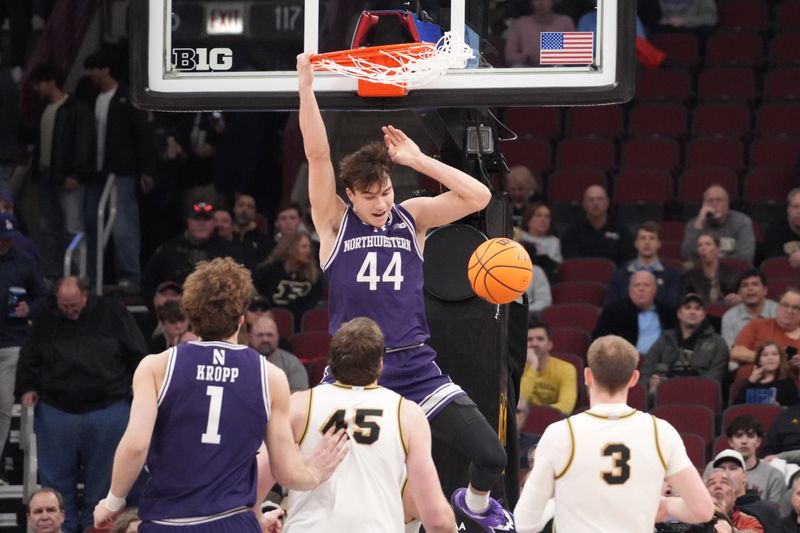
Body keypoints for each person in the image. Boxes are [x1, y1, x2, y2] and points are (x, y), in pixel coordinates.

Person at [297, 54, 513, 532]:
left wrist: (417, 160)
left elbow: (477, 197)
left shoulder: (411, 217)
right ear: (351, 194)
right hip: (353, 374)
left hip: (416, 367)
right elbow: (316, 155)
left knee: (490, 454)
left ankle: (476, 507)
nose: (381, 202)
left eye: (387, 190)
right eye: (370, 194)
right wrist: (306, 88)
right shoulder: (334, 224)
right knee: (331, 478)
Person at [93, 257, 349, 532]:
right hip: (233, 521)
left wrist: (113, 501)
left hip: (169, 520)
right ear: (242, 317)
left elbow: (135, 446)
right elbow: (285, 470)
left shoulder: (156, 367)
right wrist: (313, 472)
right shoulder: (270, 376)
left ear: (190, 314)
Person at [514, 335, 714, 532]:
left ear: (587, 376)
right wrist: (667, 505)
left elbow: (524, 521)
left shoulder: (561, 433)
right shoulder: (661, 432)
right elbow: (703, 510)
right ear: (634, 378)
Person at [284, 317, 456, 533]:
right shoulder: (407, 414)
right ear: (380, 365)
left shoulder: (298, 405)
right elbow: (438, 521)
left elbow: (255, 480)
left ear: (332, 362)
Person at [16, 276, 148, 533]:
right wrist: (27, 388)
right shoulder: (45, 319)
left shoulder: (112, 312)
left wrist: (138, 383)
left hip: (108, 408)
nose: (70, 309)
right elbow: (28, 357)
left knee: (105, 484)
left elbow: (138, 352)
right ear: (56, 300)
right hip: (57, 410)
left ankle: (96, 528)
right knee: (55, 484)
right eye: (64, 305)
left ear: (85, 296)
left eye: (74, 304)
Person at [83, 49, 156, 287]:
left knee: (123, 225)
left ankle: (129, 276)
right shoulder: (93, 98)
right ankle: (92, 276)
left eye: (93, 68)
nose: (89, 74)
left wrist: (146, 169)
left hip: (121, 170)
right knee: (91, 223)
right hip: (97, 171)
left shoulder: (127, 96)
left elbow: (143, 134)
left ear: (105, 69)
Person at [28, 63, 94, 281]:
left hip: (66, 176)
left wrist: (76, 173)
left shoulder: (75, 107)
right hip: (47, 175)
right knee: (49, 228)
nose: (36, 89)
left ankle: (81, 276)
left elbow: (84, 142)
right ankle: (55, 274)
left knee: (72, 226)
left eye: (38, 84)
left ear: (50, 82)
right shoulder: (47, 109)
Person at [0, 214, 47, 466]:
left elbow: (44, 298)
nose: (4, 244)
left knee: (3, 406)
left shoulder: (24, 261)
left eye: (7, 239)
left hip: (11, 342)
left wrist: (28, 308)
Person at [141, 202, 241, 308]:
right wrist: (159, 313)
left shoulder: (228, 251)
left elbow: (240, 285)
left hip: (216, 315)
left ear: (213, 223)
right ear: (187, 221)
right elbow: (147, 284)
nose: (201, 223)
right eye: (196, 218)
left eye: (206, 219)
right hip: (176, 317)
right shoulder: (168, 250)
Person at [641, 292, 729, 396]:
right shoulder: (665, 339)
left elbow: (715, 377)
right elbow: (646, 370)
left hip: (699, 393)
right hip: (665, 391)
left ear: (704, 315)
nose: (692, 312)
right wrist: (651, 382)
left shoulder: (718, 342)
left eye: (697, 308)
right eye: (688, 308)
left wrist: (684, 388)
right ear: (679, 314)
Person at [594, 271, 677, 354]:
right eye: (636, 285)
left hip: (662, 363)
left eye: (646, 285)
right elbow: (598, 344)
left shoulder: (668, 313)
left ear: (655, 289)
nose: (641, 289)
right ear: (629, 290)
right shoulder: (613, 312)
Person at [705, 419, 786, 504]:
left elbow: (774, 511)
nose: (744, 441)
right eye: (739, 436)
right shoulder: (713, 467)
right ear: (731, 442)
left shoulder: (774, 475)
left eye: (750, 436)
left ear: (758, 441)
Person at [253, 231, 324, 325]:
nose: (308, 250)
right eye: (303, 246)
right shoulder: (267, 272)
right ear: (290, 248)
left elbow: (312, 307)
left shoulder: (314, 277)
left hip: (300, 326)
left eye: (309, 247)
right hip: (268, 323)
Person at [605, 221, 681, 308]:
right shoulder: (619, 276)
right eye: (642, 238)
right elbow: (610, 307)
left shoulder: (672, 276)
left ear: (659, 244)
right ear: (636, 243)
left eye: (652, 238)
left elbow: (672, 307)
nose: (647, 242)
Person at [731, 288, 800, 381]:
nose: (789, 311)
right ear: (777, 306)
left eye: (796, 307)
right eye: (785, 305)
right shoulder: (757, 325)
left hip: (787, 389)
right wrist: (773, 359)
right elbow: (736, 352)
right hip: (750, 386)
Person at [681, 184, 755, 266]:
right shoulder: (695, 223)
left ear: (727, 203)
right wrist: (699, 223)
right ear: (704, 204)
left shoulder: (742, 221)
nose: (714, 204)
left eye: (719, 200)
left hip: (733, 271)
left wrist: (712, 261)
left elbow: (745, 256)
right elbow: (687, 255)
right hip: (702, 272)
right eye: (710, 201)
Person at [562, 184, 635, 266]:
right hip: (581, 277)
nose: (595, 203)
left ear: (607, 203)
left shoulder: (622, 231)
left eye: (600, 199)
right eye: (590, 199)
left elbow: (627, 261)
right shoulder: (572, 233)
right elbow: (572, 263)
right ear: (584, 205)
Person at [709, 450, 779, 533]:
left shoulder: (764, 510)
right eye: (721, 469)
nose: (726, 472)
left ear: (745, 476)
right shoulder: (699, 514)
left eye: (733, 468)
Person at [517, 321, 577, 417]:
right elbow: (519, 401)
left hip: (554, 421)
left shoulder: (566, 369)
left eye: (540, 339)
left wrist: (538, 414)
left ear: (549, 344)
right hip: (522, 422)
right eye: (529, 339)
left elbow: (566, 407)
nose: (534, 343)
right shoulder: (517, 367)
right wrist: (533, 365)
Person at [246, 314, 308, 393]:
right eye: (260, 335)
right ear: (249, 337)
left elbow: (301, 395)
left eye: (270, 335)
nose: (265, 339)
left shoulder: (292, 363)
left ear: (277, 337)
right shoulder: (238, 361)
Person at [505, 0, 576, 67]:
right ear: (531, 3)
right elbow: (509, 55)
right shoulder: (520, 23)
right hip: (527, 68)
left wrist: (554, 56)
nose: (541, 3)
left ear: (553, 2)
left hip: (557, 67)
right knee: (517, 67)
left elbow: (574, 52)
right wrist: (528, 58)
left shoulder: (565, 22)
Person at [681, 231, 741, 305]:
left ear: (717, 248)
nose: (703, 248)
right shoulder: (689, 277)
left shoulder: (733, 274)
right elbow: (683, 300)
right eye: (700, 245)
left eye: (708, 244)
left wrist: (738, 298)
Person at [722, 270, 778, 349]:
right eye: (745, 285)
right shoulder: (729, 317)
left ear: (765, 290)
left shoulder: (778, 311)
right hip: (741, 360)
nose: (750, 288)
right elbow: (730, 350)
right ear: (739, 292)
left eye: (755, 284)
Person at [734, 342, 798, 407]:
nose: (770, 358)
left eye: (775, 354)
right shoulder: (750, 382)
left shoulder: (787, 381)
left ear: (780, 359)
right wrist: (750, 381)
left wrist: (779, 408)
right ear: (759, 361)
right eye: (765, 355)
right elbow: (735, 409)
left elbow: (795, 412)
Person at [705, 468, 765, 533]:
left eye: (724, 482)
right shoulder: (696, 521)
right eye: (712, 483)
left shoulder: (748, 522)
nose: (718, 486)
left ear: (734, 496)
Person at [517, 202, 560, 282]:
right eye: (538, 215)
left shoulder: (555, 242)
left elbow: (556, 268)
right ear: (528, 220)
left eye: (547, 216)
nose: (543, 219)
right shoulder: (518, 238)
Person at [232, 194, 273, 271]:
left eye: (249, 206)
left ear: (254, 214)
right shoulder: (227, 238)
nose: (244, 209)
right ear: (234, 209)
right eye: (241, 205)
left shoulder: (264, 242)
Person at [764, 188, 800, 267]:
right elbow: (772, 258)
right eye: (795, 206)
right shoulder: (775, 228)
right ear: (788, 209)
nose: (799, 211)